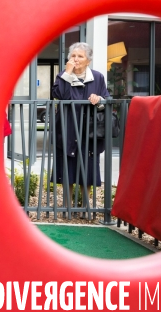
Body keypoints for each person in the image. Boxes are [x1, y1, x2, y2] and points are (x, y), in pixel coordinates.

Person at [52, 42, 110, 213]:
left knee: (88, 165)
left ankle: (86, 207)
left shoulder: (97, 77)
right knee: (67, 165)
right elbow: (59, 95)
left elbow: (106, 98)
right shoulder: (63, 75)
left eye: (80, 56)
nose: (75, 59)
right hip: (68, 126)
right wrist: (67, 74)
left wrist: (98, 98)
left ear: (88, 61)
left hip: (88, 129)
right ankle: (67, 206)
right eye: (73, 56)